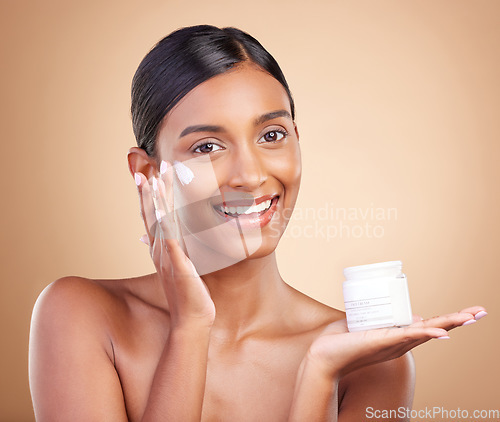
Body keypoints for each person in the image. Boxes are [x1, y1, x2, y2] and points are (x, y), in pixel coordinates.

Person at [28, 24, 487, 421]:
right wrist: (190, 328)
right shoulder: (81, 315)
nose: (251, 175)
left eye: (272, 135)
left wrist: (318, 375)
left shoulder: (370, 360)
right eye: (207, 146)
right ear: (147, 173)